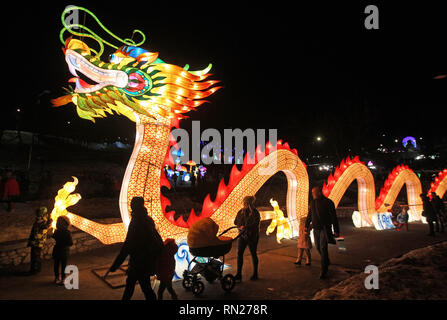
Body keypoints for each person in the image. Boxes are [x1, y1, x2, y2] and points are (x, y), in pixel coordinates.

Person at [108, 197, 163, 300]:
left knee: (143, 288)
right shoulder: (148, 220)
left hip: (139, 263)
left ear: (134, 206)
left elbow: (127, 245)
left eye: (132, 204)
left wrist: (116, 264)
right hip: (145, 261)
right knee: (136, 285)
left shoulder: (136, 222)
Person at [305, 186, 340, 279]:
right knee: (317, 246)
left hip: (325, 228)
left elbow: (333, 217)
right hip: (316, 228)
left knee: (323, 247)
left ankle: (324, 270)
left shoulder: (328, 202)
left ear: (319, 192)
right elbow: (310, 215)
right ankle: (326, 260)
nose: (312, 195)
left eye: (314, 193)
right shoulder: (313, 203)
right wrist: (306, 225)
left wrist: (336, 230)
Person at [234, 195, 260, 281]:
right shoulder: (241, 212)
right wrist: (240, 226)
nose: (244, 204)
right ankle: (239, 274)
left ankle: (255, 274)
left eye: (245, 202)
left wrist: (245, 227)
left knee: (253, 253)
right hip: (242, 236)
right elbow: (235, 222)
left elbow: (255, 224)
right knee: (240, 254)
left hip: (251, 236)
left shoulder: (255, 213)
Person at [27, 207, 52, 274]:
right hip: (36, 243)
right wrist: (51, 221)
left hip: (37, 242)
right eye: (45, 213)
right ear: (43, 214)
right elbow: (45, 227)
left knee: (36, 256)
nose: (47, 214)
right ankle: (34, 270)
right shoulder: (39, 220)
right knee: (36, 257)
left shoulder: (41, 219)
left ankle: (36, 269)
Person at [52, 216, 73, 285]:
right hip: (64, 251)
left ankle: (57, 278)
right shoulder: (67, 232)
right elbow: (70, 243)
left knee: (56, 265)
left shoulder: (56, 231)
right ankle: (63, 279)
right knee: (63, 265)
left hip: (57, 249)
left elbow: (54, 237)